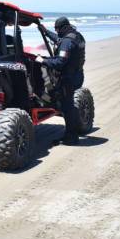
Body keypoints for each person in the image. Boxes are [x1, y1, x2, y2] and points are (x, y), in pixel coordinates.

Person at [34, 17, 86, 146]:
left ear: (63, 28)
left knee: (67, 107)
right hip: (78, 74)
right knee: (68, 104)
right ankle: (71, 132)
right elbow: (59, 40)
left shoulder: (67, 42)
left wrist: (43, 61)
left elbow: (59, 62)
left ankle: (71, 137)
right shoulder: (77, 36)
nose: (56, 32)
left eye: (57, 29)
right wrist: (46, 32)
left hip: (69, 78)